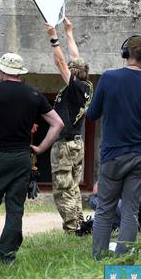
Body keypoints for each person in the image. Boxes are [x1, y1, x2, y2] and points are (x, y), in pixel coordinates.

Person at [0, 53, 63, 266]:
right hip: (22, 158)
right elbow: (58, 124)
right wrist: (39, 148)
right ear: (19, 72)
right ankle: (8, 256)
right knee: (15, 209)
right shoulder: (33, 94)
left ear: (2, 71)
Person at [86, 35, 141, 259]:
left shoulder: (109, 78)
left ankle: (99, 257)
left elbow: (92, 114)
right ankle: (123, 257)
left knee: (104, 209)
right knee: (130, 211)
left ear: (126, 54)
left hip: (113, 155)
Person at [45, 17, 93, 233]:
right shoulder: (86, 85)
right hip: (77, 143)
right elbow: (75, 58)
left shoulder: (73, 88)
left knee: (63, 188)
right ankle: (80, 224)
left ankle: (72, 229)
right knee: (73, 186)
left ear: (73, 73)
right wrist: (69, 32)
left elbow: (62, 62)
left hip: (64, 145)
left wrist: (54, 37)